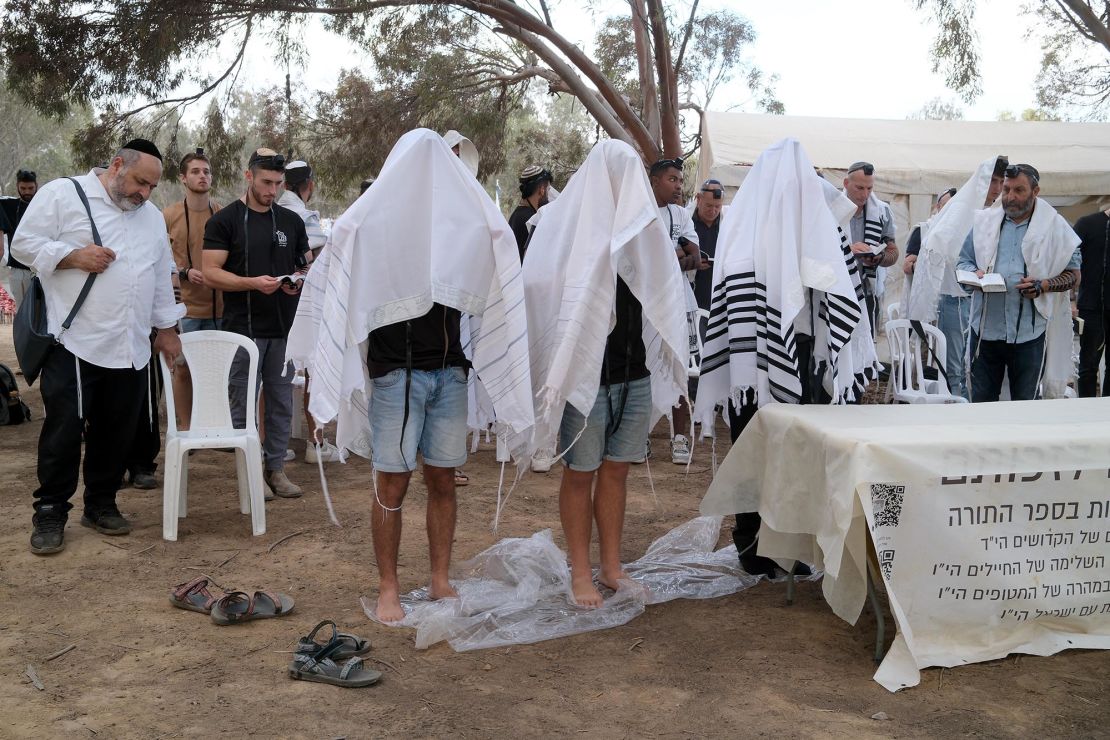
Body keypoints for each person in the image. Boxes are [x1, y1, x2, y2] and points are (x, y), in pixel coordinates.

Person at [285, 129, 534, 623]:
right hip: (396, 374)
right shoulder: (375, 221)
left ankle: (440, 579)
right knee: (391, 483)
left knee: (443, 479)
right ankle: (388, 587)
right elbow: (337, 259)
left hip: (449, 371)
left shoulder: (460, 224)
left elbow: (497, 242)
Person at [523, 139, 689, 608]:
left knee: (616, 472)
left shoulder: (645, 227)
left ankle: (612, 567)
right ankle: (580, 571)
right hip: (586, 376)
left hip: (632, 372)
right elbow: (537, 284)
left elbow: (662, 286)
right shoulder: (563, 224)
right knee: (581, 472)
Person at [11, 139, 183, 554]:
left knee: (117, 429)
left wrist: (167, 328)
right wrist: (73, 256)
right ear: (117, 164)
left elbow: (161, 274)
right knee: (65, 429)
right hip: (74, 341)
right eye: (140, 182)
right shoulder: (62, 194)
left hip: (130, 343)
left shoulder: (152, 218)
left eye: (151, 187)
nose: (144, 193)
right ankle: (51, 510)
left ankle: (101, 503)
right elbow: (21, 244)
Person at [202, 147, 309, 499]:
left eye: (278, 183)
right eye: (266, 182)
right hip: (242, 330)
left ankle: (276, 470)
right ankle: (249, 472)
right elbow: (211, 272)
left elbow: (303, 264)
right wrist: (252, 283)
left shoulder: (291, 222)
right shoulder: (225, 221)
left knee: (281, 403)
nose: (272, 190)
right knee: (243, 404)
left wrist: (297, 281)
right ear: (248, 176)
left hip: (283, 329)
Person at [957, 164, 1081, 401]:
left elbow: (1074, 274)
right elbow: (963, 262)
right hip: (985, 331)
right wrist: (975, 275)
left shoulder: (1055, 227)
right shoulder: (984, 223)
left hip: (1029, 335)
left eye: (1019, 190)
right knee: (982, 404)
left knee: (1026, 406)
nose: (1010, 197)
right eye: (1006, 190)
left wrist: (1043, 286)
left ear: (1036, 191)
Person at [278, 159, 344, 464]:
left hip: (278, 298)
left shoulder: (275, 211)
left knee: (277, 373)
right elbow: (318, 257)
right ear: (310, 185)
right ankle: (315, 443)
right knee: (313, 369)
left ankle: (272, 444)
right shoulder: (305, 216)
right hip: (305, 301)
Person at [649, 157, 705, 464]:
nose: (678, 186)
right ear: (655, 181)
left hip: (679, 302)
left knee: (679, 369)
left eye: (681, 181)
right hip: (645, 304)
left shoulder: (681, 215)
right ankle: (639, 435)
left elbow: (694, 256)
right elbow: (647, 257)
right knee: (643, 369)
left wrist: (675, 257)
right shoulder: (639, 211)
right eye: (672, 180)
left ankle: (680, 437)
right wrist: (676, 255)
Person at [163, 148, 222, 432]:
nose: (202, 176)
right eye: (196, 171)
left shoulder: (223, 214)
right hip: (185, 308)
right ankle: (187, 430)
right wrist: (185, 272)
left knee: (217, 372)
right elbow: (161, 261)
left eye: (207, 171)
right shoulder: (168, 215)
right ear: (183, 178)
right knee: (183, 370)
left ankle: (216, 427)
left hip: (221, 308)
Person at [842, 162, 898, 337]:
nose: (865, 194)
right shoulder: (831, 209)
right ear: (846, 183)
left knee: (866, 345)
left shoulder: (882, 211)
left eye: (869, 188)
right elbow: (818, 249)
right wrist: (848, 249)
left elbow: (893, 253)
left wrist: (879, 257)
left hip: (868, 290)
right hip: (838, 290)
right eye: (859, 188)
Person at [1073, 205, 1110, 397]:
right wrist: (1070, 301)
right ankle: (1086, 408)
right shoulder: (1088, 224)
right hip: (1091, 306)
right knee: (1088, 365)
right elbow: (1068, 261)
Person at [3, 169, 39, 308]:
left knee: (40, 309)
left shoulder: (44, 205)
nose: (27, 192)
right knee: (21, 309)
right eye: (23, 188)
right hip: (17, 270)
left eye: (30, 188)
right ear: (17, 186)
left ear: (36, 185)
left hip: (39, 268)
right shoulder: (8, 205)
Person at [508, 165, 553, 260]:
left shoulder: (516, 215)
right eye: (548, 189)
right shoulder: (532, 219)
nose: (549, 196)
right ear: (542, 190)